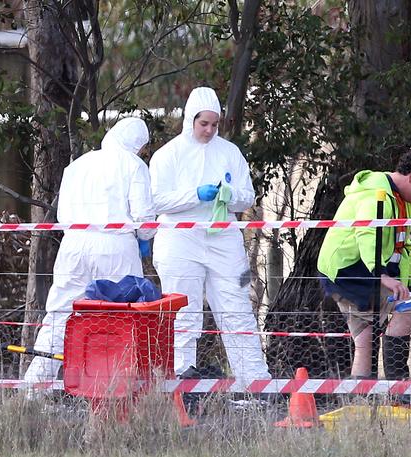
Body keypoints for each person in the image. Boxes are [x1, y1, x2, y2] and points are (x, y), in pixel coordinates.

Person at [149, 86, 271, 383]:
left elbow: (247, 197)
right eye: (204, 123)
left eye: (215, 124)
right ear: (190, 119)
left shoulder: (229, 152)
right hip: (180, 240)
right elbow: (156, 200)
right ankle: (179, 377)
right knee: (182, 310)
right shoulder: (168, 155)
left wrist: (228, 196)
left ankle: (254, 381)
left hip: (223, 239)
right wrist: (195, 195)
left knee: (237, 307)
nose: (209, 130)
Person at [24, 117, 156, 383]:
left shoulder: (78, 165)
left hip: (74, 245)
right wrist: (145, 236)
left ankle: (35, 386)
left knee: (60, 314)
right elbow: (144, 218)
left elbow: (62, 214)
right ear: (137, 144)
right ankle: (113, 385)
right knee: (121, 317)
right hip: (115, 246)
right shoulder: (133, 165)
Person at [317, 148, 411, 380]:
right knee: (405, 307)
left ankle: (361, 399)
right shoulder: (377, 195)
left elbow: (402, 247)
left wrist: (408, 283)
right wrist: (381, 275)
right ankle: (399, 387)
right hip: (348, 270)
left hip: (358, 268)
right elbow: (367, 234)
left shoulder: (402, 201)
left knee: (365, 337)